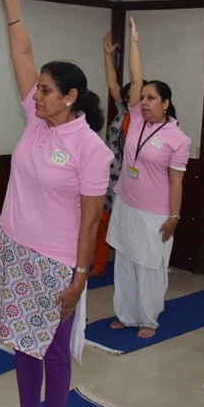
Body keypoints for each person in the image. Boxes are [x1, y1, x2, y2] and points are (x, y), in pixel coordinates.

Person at [0, 0, 112, 407]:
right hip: (14, 245)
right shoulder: (37, 122)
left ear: (71, 97)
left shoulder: (91, 149)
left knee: (51, 350)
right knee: (20, 342)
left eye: (47, 92)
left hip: (55, 261)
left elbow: (92, 217)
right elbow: (21, 55)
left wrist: (80, 276)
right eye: (38, 90)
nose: (37, 96)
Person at [105, 18, 190, 339]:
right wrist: (135, 45)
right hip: (127, 203)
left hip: (154, 213)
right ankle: (126, 315)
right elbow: (136, 78)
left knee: (150, 268)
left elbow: (176, 183)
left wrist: (174, 217)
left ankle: (148, 319)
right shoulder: (137, 118)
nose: (145, 102)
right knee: (125, 263)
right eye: (144, 98)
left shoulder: (177, 139)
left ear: (166, 104)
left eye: (152, 98)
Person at [92, 29, 134, 277]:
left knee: (125, 227)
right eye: (127, 97)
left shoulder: (144, 121)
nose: (128, 100)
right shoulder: (123, 109)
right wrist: (108, 56)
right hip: (109, 176)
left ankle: (126, 270)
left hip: (130, 182)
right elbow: (112, 85)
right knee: (102, 221)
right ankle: (98, 266)